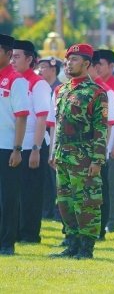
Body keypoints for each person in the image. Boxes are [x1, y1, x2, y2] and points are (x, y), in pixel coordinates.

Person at [50, 43, 108, 259]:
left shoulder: (96, 92)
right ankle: (72, 242)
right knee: (65, 202)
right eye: (67, 59)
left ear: (86, 64)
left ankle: (86, 247)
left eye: (74, 60)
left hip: (84, 156)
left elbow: (101, 128)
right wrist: (55, 152)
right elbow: (58, 124)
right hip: (63, 155)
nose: (68, 63)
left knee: (86, 202)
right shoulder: (62, 90)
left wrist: (97, 159)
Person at [11, 39, 52, 244]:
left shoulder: (38, 84)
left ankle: (30, 234)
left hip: (33, 144)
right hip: (15, 144)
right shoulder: (12, 80)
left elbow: (42, 118)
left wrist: (36, 148)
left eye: (17, 56)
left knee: (31, 191)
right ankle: (15, 230)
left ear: (30, 59)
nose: (12, 60)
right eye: (11, 55)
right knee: (14, 191)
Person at [0, 34, 29, 255]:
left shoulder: (17, 80)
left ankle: (7, 242)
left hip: (7, 147)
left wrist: (17, 148)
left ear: (9, 54)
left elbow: (21, 116)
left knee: (9, 196)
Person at [93, 49, 114, 234]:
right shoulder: (92, 84)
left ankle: (111, 221)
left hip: (111, 143)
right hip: (95, 145)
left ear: (112, 66)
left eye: (101, 64)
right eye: (95, 64)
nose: (97, 68)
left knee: (111, 184)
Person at [88, 53, 114, 241]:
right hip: (79, 151)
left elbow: (109, 124)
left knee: (100, 191)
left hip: (97, 151)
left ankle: (99, 229)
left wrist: (102, 152)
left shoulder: (104, 90)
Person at [38, 56, 62, 221]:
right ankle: (46, 210)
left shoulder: (59, 88)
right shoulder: (41, 87)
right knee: (45, 180)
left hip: (52, 136)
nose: (40, 70)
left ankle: (57, 211)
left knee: (55, 180)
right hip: (42, 137)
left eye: (44, 67)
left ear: (53, 69)